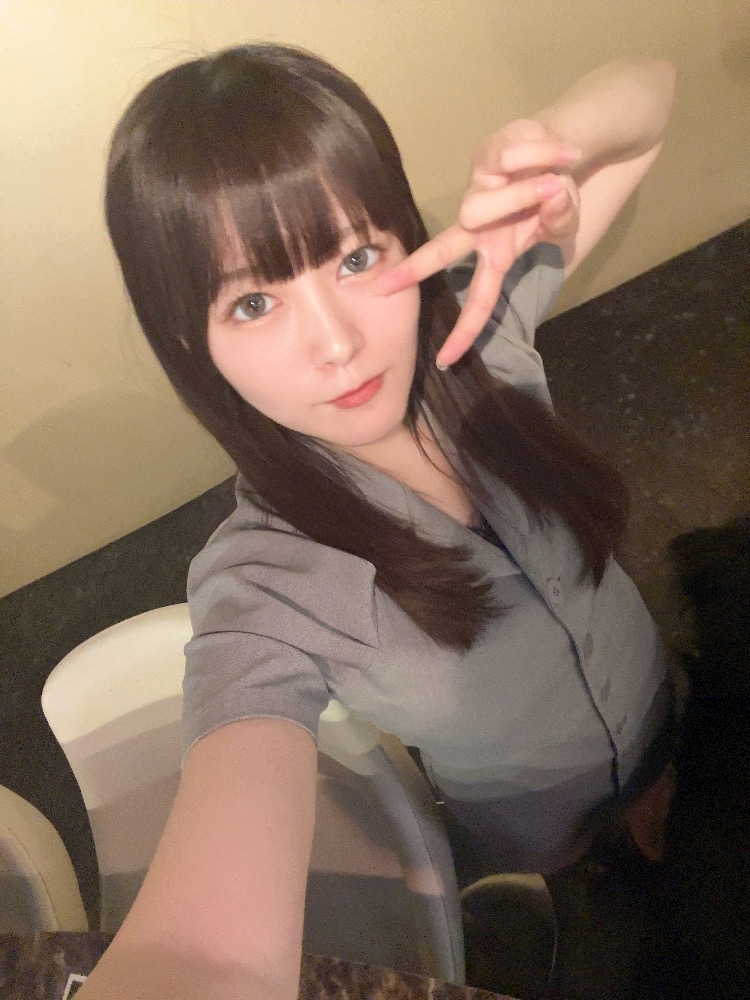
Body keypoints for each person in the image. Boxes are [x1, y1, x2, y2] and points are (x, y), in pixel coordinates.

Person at [81, 44, 675, 999]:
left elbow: (650, 95)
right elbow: (208, 958)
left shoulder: (479, 338)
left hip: (667, 706)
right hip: (538, 830)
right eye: (255, 302)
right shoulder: (266, 590)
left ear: (406, 237)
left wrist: (554, 141)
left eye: (357, 257)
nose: (337, 342)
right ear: (194, 341)